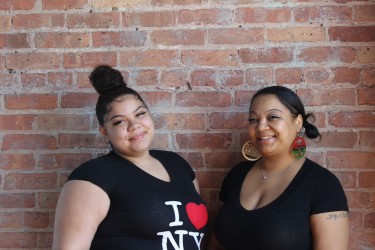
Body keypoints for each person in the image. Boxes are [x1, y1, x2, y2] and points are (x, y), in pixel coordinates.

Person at [52, 65, 208, 250]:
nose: (134, 125)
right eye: (119, 121)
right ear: (104, 131)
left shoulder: (178, 165)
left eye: (140, 114)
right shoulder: (93, 176)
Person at [213, 86, 349, 250]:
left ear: (298, 122)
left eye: (273, 117)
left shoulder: (323, 185)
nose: (261, 126)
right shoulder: (237, 174)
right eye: (253, 119)